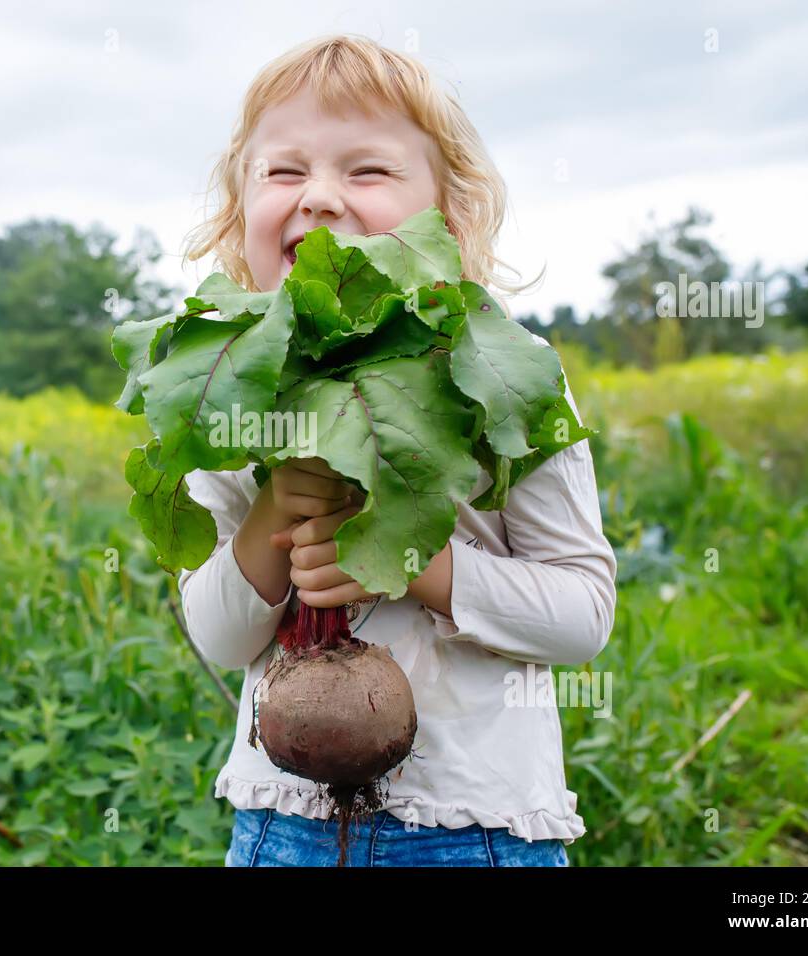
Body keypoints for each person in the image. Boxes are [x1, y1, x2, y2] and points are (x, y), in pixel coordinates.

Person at [178, 33, 617, 867]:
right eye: (283, 171)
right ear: (241, 212)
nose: (319, 198)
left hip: (478, 829)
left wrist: (419, 566)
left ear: (448, 216)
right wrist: (276, 505)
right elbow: (222, 638)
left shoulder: (504, 375)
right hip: (281, 827)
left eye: (367, 171)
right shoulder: (223, 390)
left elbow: (582, 616)